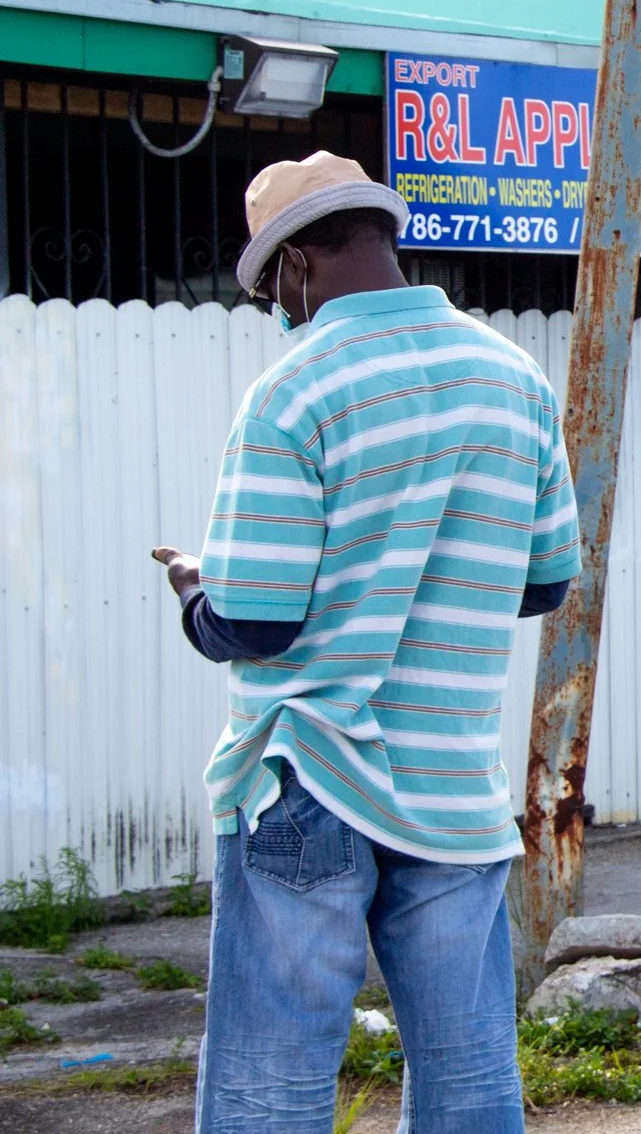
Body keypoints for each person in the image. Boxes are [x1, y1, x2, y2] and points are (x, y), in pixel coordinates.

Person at [151, 150, 581, 1133]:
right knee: (469, 1076)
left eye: (270, 290)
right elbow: (543, 580)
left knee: (272, 1078)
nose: (278, 311)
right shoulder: (514, 381)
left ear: (297, 264)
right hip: (451, 786)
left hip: (309, 774)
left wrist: (194, 593)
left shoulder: (295, 393)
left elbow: (256, 620)